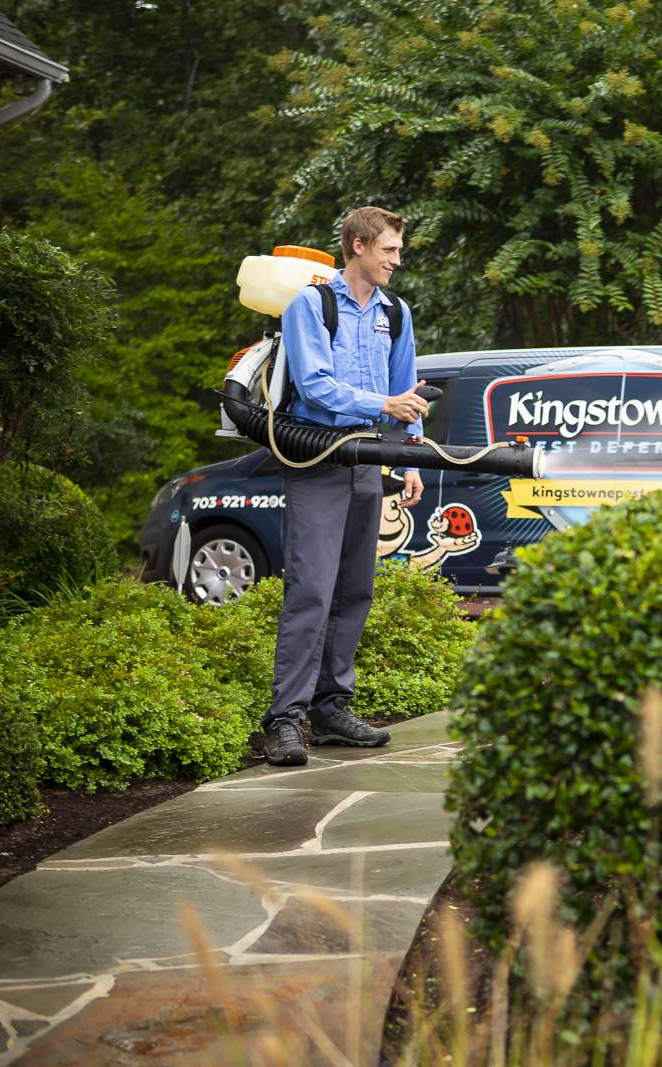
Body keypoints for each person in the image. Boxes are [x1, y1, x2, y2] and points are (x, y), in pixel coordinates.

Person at [262, 205, 430, 767]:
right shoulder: (311, 305)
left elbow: (407, 389)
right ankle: (284, 721)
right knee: (311, 588)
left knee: (355, 588)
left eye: (398, 251)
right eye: (389, 250)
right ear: (358, 246)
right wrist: (381, 403)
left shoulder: (396, 313)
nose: (396, 261)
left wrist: (411, 457)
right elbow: (313, 385)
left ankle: (332, 711)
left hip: (367, 460)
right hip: (316, 457)